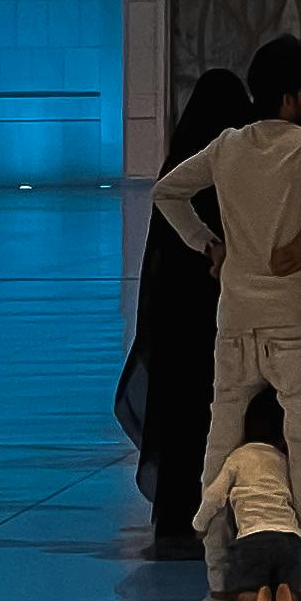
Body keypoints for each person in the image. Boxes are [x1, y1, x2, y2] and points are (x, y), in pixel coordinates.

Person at [151, 32, 301, 601]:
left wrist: (208, 244)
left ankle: (220, 582)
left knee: (219, 450)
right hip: (296, 323)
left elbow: (167, 192)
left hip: (236, 320)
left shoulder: (228, 145)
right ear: (291, 97)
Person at [118, 67, 251, 558]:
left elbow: (163, 256)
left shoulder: (183, 166)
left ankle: (179, 514)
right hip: (228, 318)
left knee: (184, 415)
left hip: (181, 324)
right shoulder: (238, 166)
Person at [194, 380, 301, 601]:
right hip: (289, 538)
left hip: (253, 538)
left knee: (239, 594)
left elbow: (214, 496)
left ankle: (256, 599)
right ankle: (287, 595)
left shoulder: (238, 457)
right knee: (294, 588)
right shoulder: (283, 460)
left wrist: (199, 525)